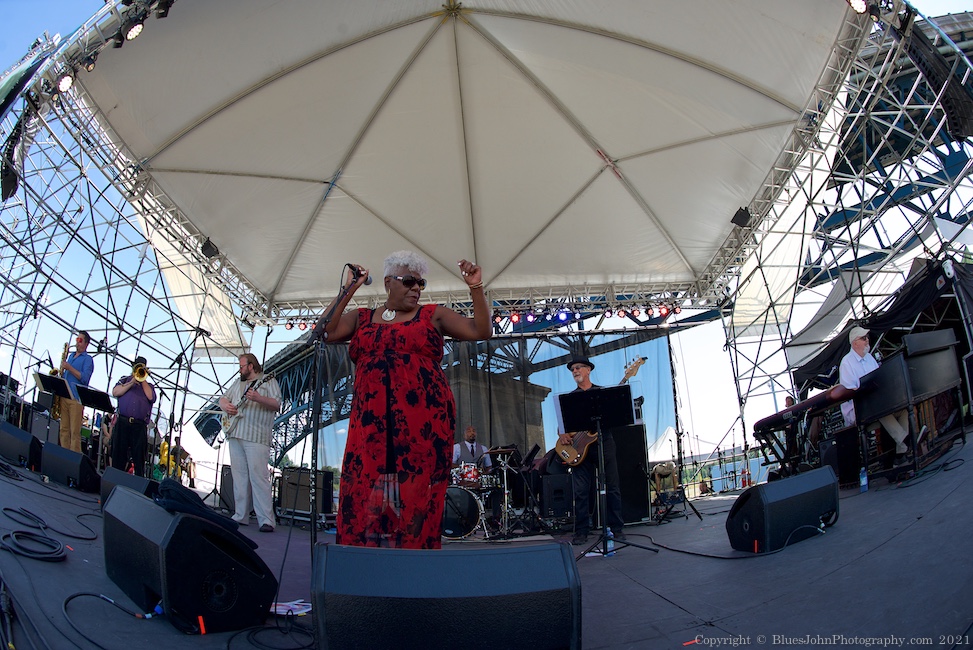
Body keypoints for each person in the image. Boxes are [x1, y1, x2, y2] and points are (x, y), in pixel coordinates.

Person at [316, 251, 491, 549]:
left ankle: (416, 560)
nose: (416, 288)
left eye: (420, 283)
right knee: (362, 485)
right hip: (370, 420)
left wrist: (475, 286)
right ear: (388, 282)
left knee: (417, 491)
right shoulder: (362, 318)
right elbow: (324, 332)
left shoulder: (432, 314)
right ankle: (359, 558)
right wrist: (349, 288)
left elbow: (480, 330)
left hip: (422, 419)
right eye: (409, 281)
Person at [556, 356, 627, 546]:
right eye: (573, 369)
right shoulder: (570, 398)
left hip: (604, 442)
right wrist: (562, 434)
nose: (575, 371)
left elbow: (616, 416)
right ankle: (581, 531)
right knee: (580, 491)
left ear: (588, 370)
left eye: (579, 367)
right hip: (580, 448)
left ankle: (617, 528)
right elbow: (562, 424)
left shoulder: (601, 393)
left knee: (612, 487)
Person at [219, 353, 281, 532]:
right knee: (239, 477)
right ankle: (240, 515)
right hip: (235, 433)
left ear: (251, 366)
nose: (240, 369)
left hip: (257, 436)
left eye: (242, 366)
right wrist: (225, 406)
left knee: (259, 477)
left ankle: (266, 520)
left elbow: (277, 404)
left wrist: (258, 398)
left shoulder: (268, 381)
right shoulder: (237, 384)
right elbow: (223, 398)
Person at [839, 326, 912, 466]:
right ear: (855, 343)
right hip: (858, 410)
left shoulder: (869, 358)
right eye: (863, 338)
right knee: (881, 409)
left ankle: (901, 452)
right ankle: (905, 440)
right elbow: (850, 392)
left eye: (867, 337)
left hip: (875, 405)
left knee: (902, 408)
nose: (867, 340)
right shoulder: (846, 362)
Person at [109, 356, 156, 476]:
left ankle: (138, 481)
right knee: (118, 455)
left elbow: (151, 397)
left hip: (139, 426)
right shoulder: (124, 380)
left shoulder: (149, 386)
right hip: (123, 422)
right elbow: (115, 392)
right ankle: (115, 478)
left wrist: (142, 379)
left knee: (139, 459)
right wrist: (131, 383)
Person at [59, 331, 94, 453]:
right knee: (63, 429)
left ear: (86, 344)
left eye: (80, 340)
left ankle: (73, 458)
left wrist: (69, 368)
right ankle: (63, 455)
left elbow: (85, 378)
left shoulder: (88, 359)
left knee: (74, 432)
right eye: (77, 339)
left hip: (76, 399)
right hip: (65, 395)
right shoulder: (71, 356)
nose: (77, 342)